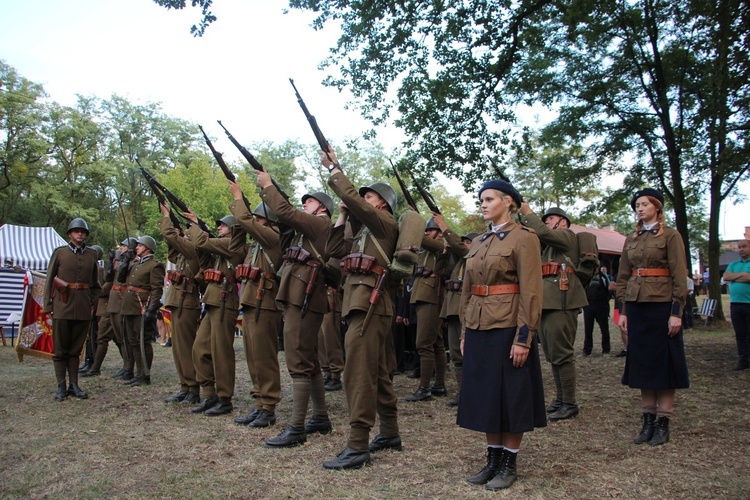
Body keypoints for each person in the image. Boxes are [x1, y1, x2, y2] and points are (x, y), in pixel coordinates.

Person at [458, 180, 545, 491]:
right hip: (479, 327)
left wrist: (524, 337)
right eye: (481, 199)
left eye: (489, 198)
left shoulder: (524, 238)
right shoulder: (479, 241)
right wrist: (465, 331)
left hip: (508, 327)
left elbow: (532, 291)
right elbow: (467, 289)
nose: (483, 204)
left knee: (512, 396)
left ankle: (509, 462)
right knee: (486, 396)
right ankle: (492, 459)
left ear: (508, 202)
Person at [320, 147, 401, 470]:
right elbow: (333, 250)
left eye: (370, 195)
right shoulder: (365, 230)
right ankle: (391, 433)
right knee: (377, 373)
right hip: (361, 305)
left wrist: (335, 170)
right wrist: (341, 215)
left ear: (382, 204)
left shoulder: (384, 223)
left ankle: (357, 445)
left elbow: (353, 198)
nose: (364, 198)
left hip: (370, 306)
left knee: (357, 374)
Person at [253, 168, 335, 448]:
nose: (304, 205)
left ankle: (297, 426)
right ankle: (320, 417)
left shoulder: (321, 224)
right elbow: (284, 222)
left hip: (304, 298)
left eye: (309, 202)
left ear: (322, 207)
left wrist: (267, 186)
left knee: (298, 362)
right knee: (308, 360)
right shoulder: (306, 229)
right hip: (298, 295)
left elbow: (286, 213)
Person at [616, 188, 689, 446]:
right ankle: (647, 420)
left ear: (657, 207)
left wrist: (676, 313)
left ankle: (663, 422)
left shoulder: (670, 236)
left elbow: (680, 276)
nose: (639, 207)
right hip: (636, 307)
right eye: (637, 204)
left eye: (645, 203)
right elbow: (623, 276)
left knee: (664, 364)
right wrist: (623, 310)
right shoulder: (631, 238)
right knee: (642, 364)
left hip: (662, 306)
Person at [519, 205, 587, 421]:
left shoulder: (567, 236)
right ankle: (560, 398)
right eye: (545, 219)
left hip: (562, 302)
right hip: (548, 303)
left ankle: (569, 402)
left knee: (562, 354)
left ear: (563, 222)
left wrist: (528, 211)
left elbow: (543, 232)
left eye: (551, 219)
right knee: (552, 354)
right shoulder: (548, 247)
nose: (546, 222)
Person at [228, 186, 284, 429]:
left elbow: (246, 220)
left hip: (266, 303)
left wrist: (240, 201)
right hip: (251, 302)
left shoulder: (273, 238)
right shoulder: (255, 246)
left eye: (260, 218)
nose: (257, 222)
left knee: (264, 357)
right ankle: (259, 402)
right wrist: (240, 226)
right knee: (252, 356)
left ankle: (269, 406)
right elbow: (233, 252)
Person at [185, 213, 246, 416]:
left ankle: (224, 397)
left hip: (224, 301)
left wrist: (194, 226)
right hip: (212, 300)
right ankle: (209, 393)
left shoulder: (231, 245)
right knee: (199, 349)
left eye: (223, 225)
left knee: (221, 353)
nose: (219, 227)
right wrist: (200, 239)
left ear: (234, 228)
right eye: (218, 225)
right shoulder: (220, 246)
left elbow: (202, 241)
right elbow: (204, 260)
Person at [43, 218, 102, 400]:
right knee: (60, 349)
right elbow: (49, 280)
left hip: (83, 307)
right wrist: (48, 306)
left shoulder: (92, 254)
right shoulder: (59, 253)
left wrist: (93, 304)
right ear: (69, 234)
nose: (80, 234)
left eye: (83, 231)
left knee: (76, 350)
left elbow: (95, 285)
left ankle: (74, 384)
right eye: (76, 231)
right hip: (62, 305)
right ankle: (61, 386)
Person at [158, 203, 203, 404]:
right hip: (178, 301)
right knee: (178, 348)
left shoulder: (194, 248)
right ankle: (185, 386)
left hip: (188, 301)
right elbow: (172, 250)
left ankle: (193, 388)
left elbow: (172, 238)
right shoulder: (184, 251)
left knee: (186, 348)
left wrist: (166, 216)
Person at [405, 217, 449, 402]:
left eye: (430, 230)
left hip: (431, 297)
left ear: (439, 233)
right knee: (436, 343)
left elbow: (427, 242)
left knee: (423, 344)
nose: (427, 234)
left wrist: (415, 228)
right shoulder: (426, 252)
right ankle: (439, 385)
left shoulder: (442, 247)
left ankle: (425, 387)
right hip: (422, 297)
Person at [435, 215, 477, 407]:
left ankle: (473, 391)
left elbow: (461, 249)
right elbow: (440, 271)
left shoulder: (473, 257)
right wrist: (444, 252)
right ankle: (463, 393)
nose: (464, 244)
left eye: (468, 241)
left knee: (469, 352)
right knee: (455, 352)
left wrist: (444, 227)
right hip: (452, 308)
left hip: (467, 309)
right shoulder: (458, 261)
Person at [119, 235, 165, 387]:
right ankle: (138, 373)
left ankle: (145, 374)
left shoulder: (154, 265)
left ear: (148, 247)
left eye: (139, 245)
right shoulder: (135, 264)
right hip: (130, 306)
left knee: (142, 341)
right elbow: (121, 279)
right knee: (132, 341)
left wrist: (151, 309)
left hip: (142, 307)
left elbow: (157, 289)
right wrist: (125, 261)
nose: (136, 247)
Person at [81, 246, 120, 377]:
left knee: (102, 337)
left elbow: (103, 288)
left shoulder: (100, 270)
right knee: (93, 337)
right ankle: (90, 361)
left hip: (103, 306)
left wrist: (88, 293)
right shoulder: (97, 269)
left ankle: (94, 365)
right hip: (97, 307)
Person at [723, 239, 750, 371]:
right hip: (736, 304)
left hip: (749, 304)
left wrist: (735, 276)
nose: (741, 249)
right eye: (739, 247)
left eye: (744, 246)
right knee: (740, 333)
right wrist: (743, 275)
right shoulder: (733, 264)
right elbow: (726, 277)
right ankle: (743, 360)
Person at [582, 267, 611, 356]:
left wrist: (605, 302)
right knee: (588, 329)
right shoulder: (587, 278)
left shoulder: (604, 277)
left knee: (604, 329)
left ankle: (606, 350)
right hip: (589, 305)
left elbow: (608, 290)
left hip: (601, 305)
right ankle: (587, 350)